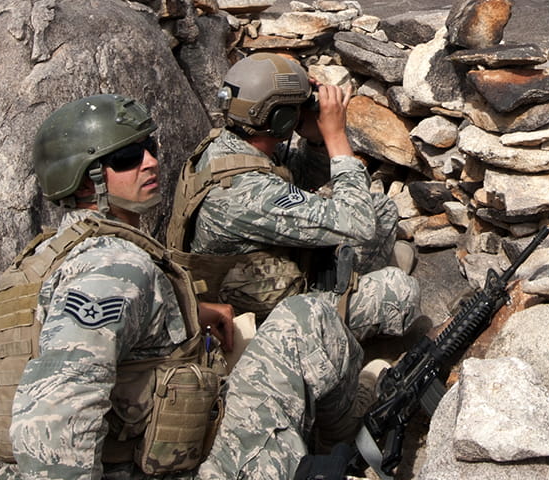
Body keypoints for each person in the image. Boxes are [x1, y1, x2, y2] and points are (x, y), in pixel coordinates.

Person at [0, 94, 361, 480]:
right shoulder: (115, 268)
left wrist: (189, 310)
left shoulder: (48, 259)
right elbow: (54, 408)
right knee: (308, 318)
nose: (150, 162)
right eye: (125, 158)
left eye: (149, 147)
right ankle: (346, 455)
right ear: (86, 179)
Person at [167, 53, 417, 342]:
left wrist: (315, 138)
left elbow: (301, 174)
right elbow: (358, 223)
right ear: (281, 119)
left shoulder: (229, 145)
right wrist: (336, 136)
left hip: (269, 270)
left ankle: (358, 296)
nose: (305, 112)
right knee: (399, 290)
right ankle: (343, 340)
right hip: (263, 318)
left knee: (381, 207)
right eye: (297, 108)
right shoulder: (245, 193)